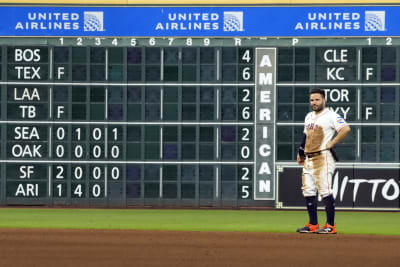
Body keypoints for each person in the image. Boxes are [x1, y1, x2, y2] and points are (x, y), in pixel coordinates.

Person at [296, 88, 351, 234]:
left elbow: (345, 129)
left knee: (325, 190)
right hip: (308, 157)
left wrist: (332, 143)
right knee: (308, 190)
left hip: (323, 157)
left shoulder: (331, 115)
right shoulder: (309, 116)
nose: (314, 102)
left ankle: (330, 225)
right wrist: (300, 152)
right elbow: (306, 136)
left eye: (317, 99)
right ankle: (313, 224)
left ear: (324, 100)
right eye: (312, 100)